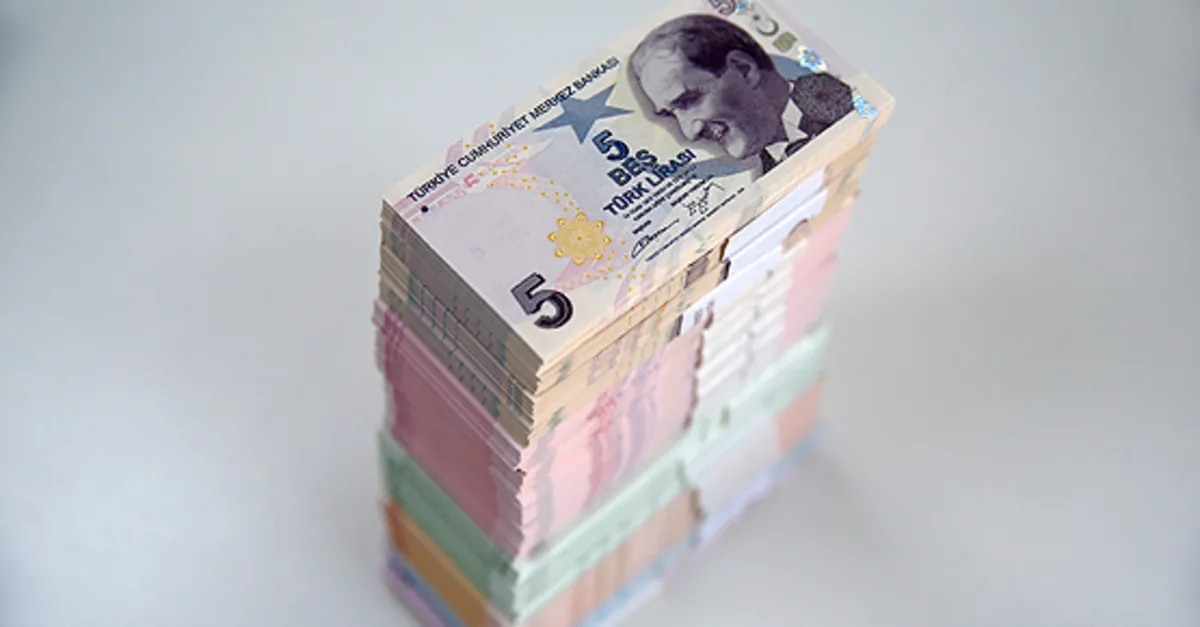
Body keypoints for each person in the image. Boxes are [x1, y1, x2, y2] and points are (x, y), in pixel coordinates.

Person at [630, 14, 854, 177]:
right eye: (671, 114)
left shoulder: (848, 94)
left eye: (688, 100)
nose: (690, 133)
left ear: (743, 69)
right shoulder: (766, 182)